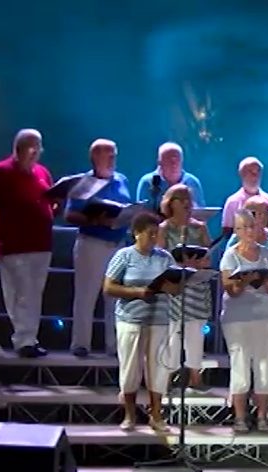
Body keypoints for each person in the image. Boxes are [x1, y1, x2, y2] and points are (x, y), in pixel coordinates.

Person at [0, 129, 54, 358]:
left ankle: (29, 339)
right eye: (31, 146)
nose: (36, 151)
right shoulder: (2, 171)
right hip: (14, 243)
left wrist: (57, 203)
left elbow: (51, 201)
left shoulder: (42, 172)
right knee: (22, 293)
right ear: (19, 148)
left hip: (42, 243)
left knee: (35, 293)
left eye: (38, 146)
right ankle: (24, 340)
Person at [102, 212, 180, 431]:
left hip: (159, 319)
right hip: (131, 319)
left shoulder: (164, 257)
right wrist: (138, 292)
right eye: (150, 233)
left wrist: (172, 285)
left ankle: (156, 415)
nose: (154, 237)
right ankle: (129, 415)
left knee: (158, 368)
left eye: (157, 234)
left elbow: (176, 288)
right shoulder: (124, 256)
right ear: (136, 233)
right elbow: (109, 287)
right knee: (130, 368)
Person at [66, 139, 133, 358]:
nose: (113, 159)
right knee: (86, 294)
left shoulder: (122, 180)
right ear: (95, 157)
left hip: (117, 244)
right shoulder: (83, 182)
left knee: (115, 296)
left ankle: (114, 345)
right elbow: (69, 215)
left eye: (114, 154)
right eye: (108, 155)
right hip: (92, 243)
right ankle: (81, 344)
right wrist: (96, 219)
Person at [220, 209, 268, 433]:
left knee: (264, 366)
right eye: (243, 227)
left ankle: (263, 416)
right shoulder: (230, 255)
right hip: (237, 318)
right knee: (241, 366)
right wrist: (245, 281)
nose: (249, 231)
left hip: (264, 316)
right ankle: (240, 417)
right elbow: (230, 290)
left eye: (252, 226)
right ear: (236, 231)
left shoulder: (267, 254)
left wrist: (265, 280)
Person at [156, 184, 213, 390]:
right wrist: (180, 264)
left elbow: (209, 256)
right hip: (174, 287)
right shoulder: (164, 228)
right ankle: (169, 376)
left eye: (189, 198)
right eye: (181, 199)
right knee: (172, 333)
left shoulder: (200, 227)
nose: (187, 203)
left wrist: (197, 263)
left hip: (196, 287)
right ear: (170, 203)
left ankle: (195, 377)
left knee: (195, 332)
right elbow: (159, 258)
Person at [135, 142, 206, 212]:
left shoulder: (192, 182)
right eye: (169, 160)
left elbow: (200, 213)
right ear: (159, 162)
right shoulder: (148, 182)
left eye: (177, 160)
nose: (174, 165)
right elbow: (142, 216)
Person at [221, 157, 268, 240]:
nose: (255, 175)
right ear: (241, 174)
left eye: (258, 171)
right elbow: (227, 232)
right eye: (250, 171)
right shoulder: (232, 202)